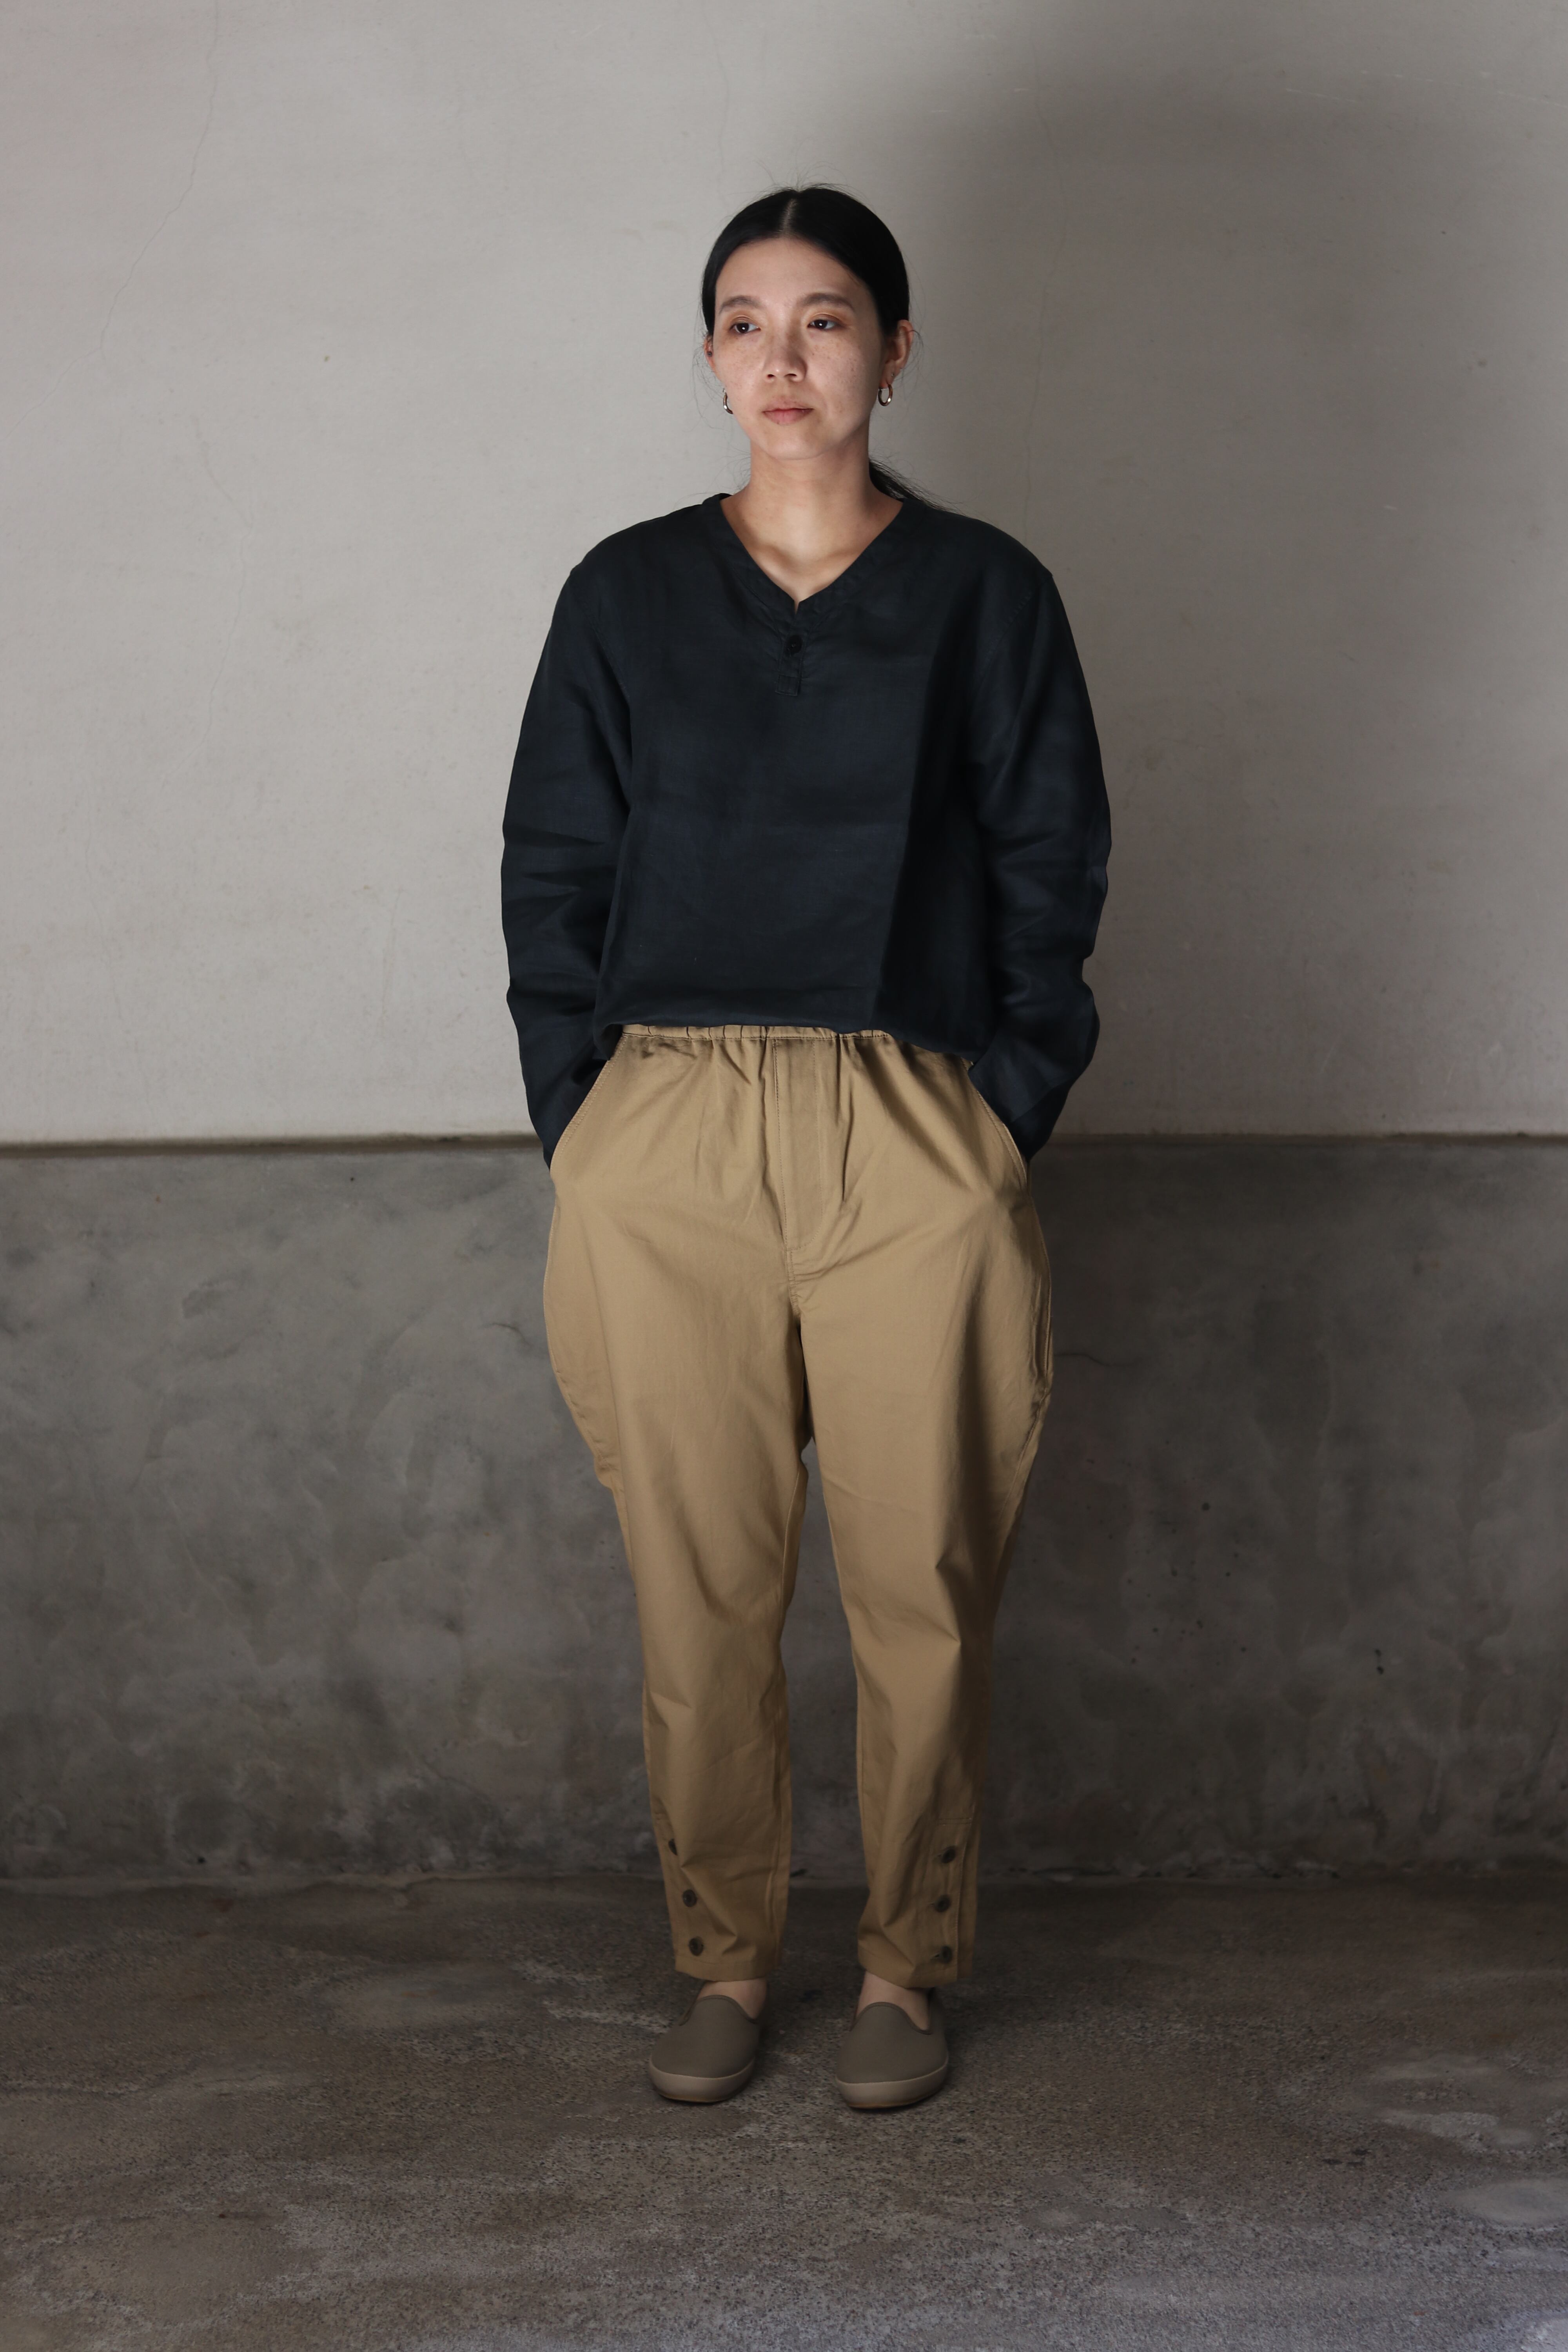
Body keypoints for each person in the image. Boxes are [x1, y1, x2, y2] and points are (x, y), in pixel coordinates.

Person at [501, 185, 1109, 2112]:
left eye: (826, 318)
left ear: (893, 351)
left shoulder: (985, 592)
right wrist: (584, 1120)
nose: (784, 358)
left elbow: (1050, 865)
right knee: (698, 1590)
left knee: (921, 1580)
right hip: (666, 1125)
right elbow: (554, 864)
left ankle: (905, 1973)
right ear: (708, 355)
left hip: (905, 1121)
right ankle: (724, 1959)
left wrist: (998, 1114)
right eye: (746, 320)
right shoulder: (624, 594)